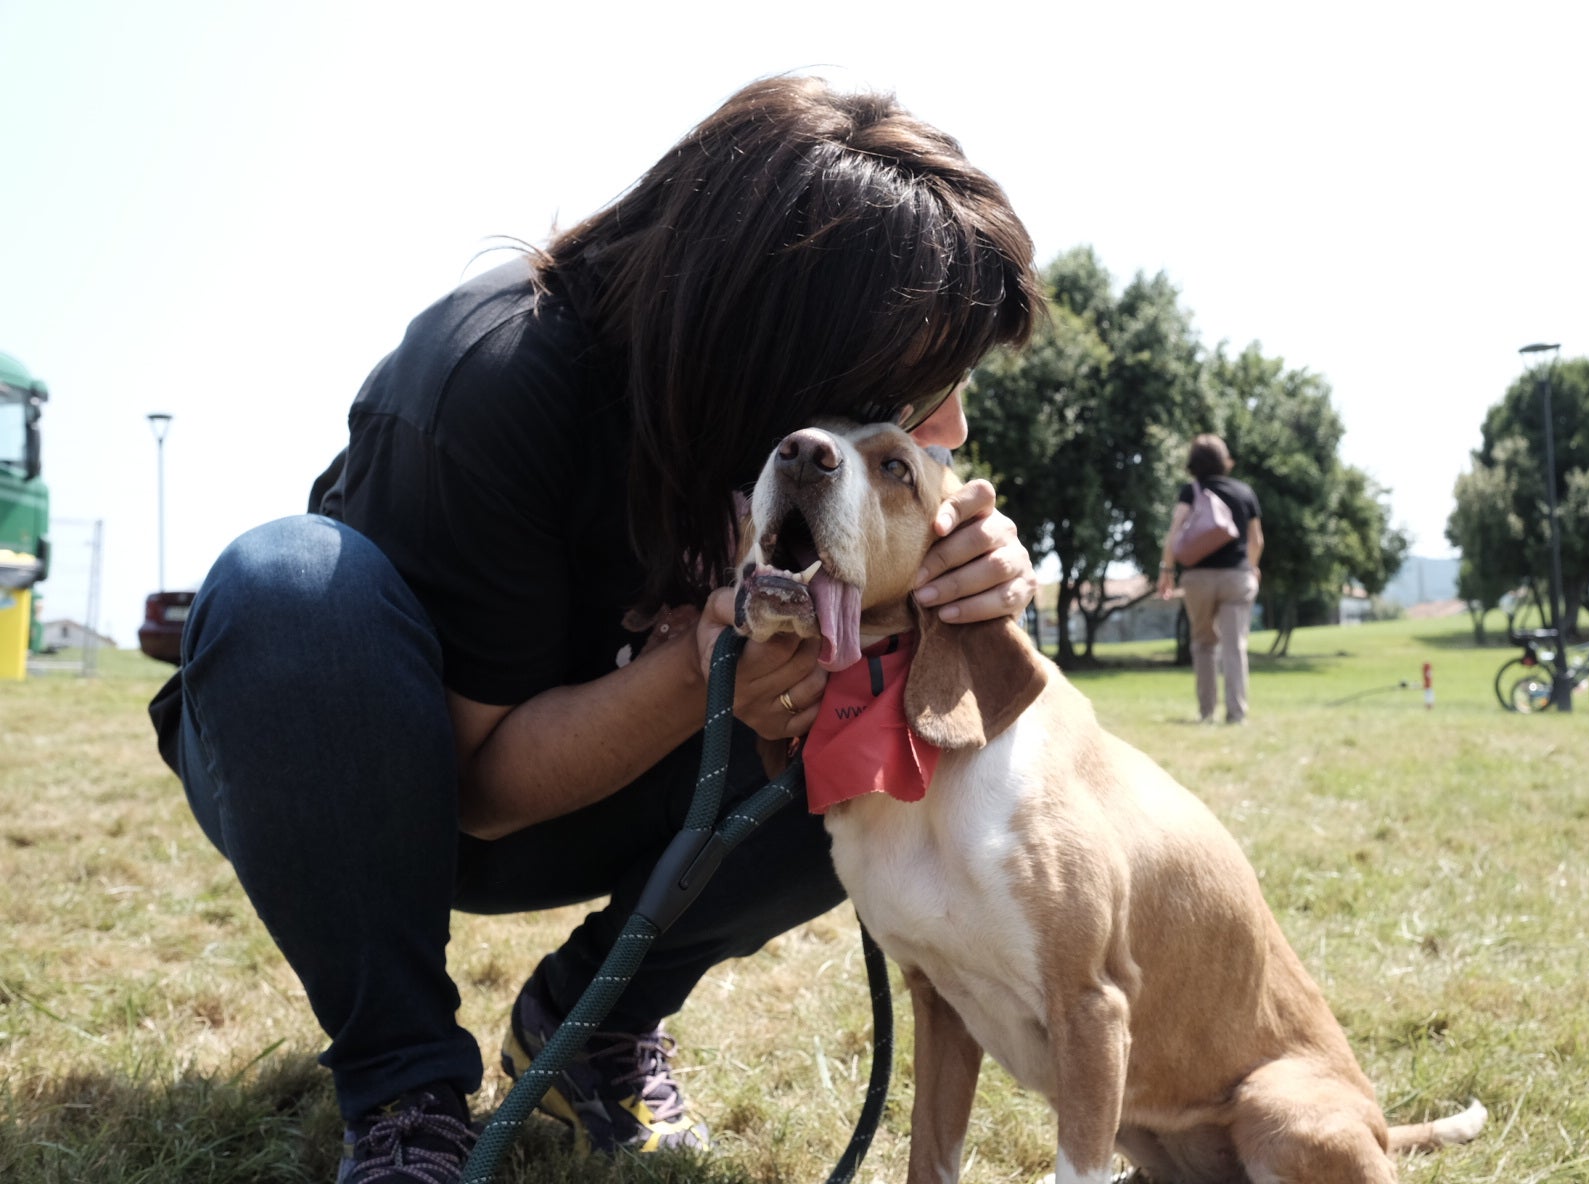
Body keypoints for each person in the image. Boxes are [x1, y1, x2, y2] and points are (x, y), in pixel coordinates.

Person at [147, 75, 1043, 1183]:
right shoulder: (493, 374)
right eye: (915, 387)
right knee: (284, 582)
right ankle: (406, 1096)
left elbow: (938, 652)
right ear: (780, 347)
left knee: (886, 713)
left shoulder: (789, 452)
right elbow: (474, 797)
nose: (947, 425)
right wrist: (702, 675)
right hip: (366, 783)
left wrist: (968, 583)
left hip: (628, 787)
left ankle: (593, 1026)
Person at [1156, 434, 1264, 724]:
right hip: (1237, 577)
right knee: (1234, 646)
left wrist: (1166, 571)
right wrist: (1252, 567)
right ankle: (1237, 714)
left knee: (1204, 643)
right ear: (1223, 459)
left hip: (1197, 579)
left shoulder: (1191, 491)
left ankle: (1206, 714)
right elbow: (1257, 540)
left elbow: (1175, 532)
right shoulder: (1244, 492)